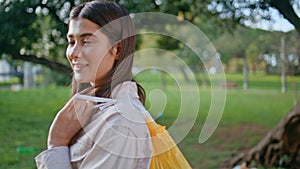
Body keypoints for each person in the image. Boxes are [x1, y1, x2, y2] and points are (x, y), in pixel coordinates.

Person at [35, 0, 153, 168]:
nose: (74, 53)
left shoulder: (121, 124)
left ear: (117, 50)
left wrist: (57, 142)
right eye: (71, 42)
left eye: (86, 41)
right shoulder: (94, 107)